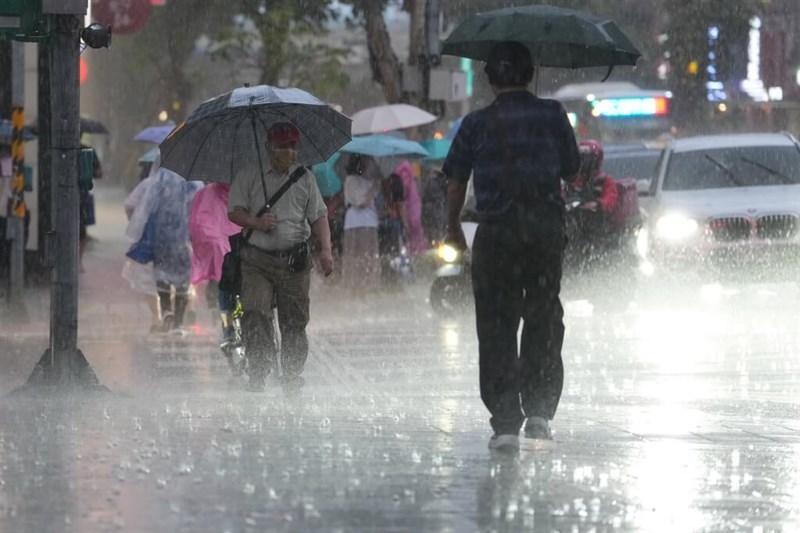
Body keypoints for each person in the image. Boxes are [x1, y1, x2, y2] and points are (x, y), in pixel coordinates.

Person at [442, 41, 580, 452]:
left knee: (496, 325)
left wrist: (452, 227)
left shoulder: (475, 124)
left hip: (496, 236)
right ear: (529, 73)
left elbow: (455, 180)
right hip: (543, 233)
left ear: (490, 79)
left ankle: (505, 423)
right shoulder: (553, 114)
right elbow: (572, 169)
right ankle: (539, 412)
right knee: (543, 317)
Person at [228, 122, 333, 391]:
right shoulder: (249, 175)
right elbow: (234, 211)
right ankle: (258, 371)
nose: (289, 152)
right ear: (269, 147)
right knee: (255, 312)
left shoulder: (305, 178)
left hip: (294, 262)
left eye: (293, 146)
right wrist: (256, 222)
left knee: (294, 320)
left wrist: (326, 250)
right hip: (256, 260)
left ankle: (292, 373)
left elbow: (319, 216)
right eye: (283, 146)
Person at [188, 182, 241, 349]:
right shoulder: (247, 189)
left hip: (224, 248)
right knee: (225, 284)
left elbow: (197, 222)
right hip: (234, 247)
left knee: (222, 282)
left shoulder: (207, 193)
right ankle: (227, 326)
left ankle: (227, 325)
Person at [342, 154, 381, 294]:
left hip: (370, 222)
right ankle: (355, 287)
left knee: (369, 256)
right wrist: (372, 190)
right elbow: (360, 203)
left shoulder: (369, 180)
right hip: (356, 224)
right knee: (356, 257)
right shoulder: (351, 180)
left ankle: (369, 286)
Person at [394, 161, 427, 256]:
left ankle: (413, 252)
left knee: (410, 234)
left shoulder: (402, 171)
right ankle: (418, 252)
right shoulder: (408, 170)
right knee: (415, 235)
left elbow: (404, 192)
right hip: (413, 207)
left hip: (409, 209)